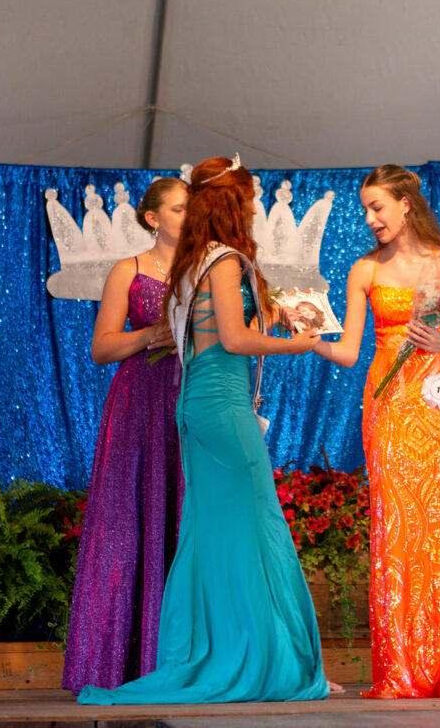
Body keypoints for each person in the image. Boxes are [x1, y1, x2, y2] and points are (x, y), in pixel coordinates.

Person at [77, 155, 329, 704]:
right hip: (220, 402)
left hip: (200, 401)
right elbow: (233, 340)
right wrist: (299, 345)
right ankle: (254, 658)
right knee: (255, 524)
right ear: (233, 203)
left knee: (213, 531)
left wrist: (275, 314)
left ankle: (223, 653)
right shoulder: (225, 259)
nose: (255, 208)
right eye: (250, 199)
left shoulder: (197, 259)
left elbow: (215, 329)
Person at [312, 165, 440, 699]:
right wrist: (308, 337)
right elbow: (349, 351)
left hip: (437, 404)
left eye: (377, 206)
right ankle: (401, 668)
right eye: (365, 209)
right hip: (387, 404)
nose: (370, 218)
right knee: (395, 527)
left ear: (405, 204)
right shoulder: (364, 270)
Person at [62, 178, 188, 693]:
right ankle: (119, 662)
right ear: (153, 218)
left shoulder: (208, 271)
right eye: (179, 208)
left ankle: (183, 656)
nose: (189, 215)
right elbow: (101, 348)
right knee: (130, 519)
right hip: (139, 405)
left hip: (191, 401)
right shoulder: (129, 269)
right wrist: (151, 334)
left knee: (184, 517)